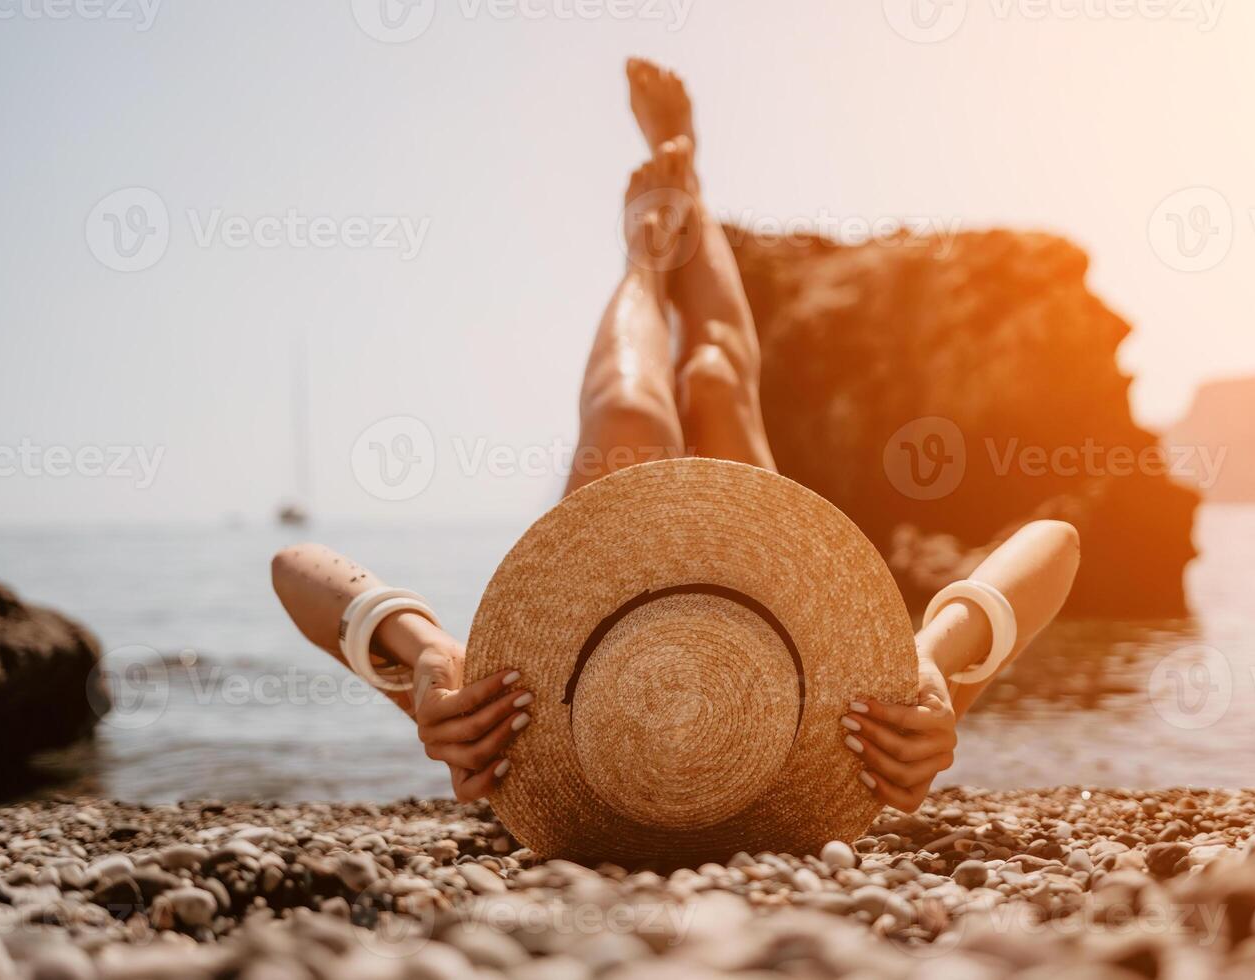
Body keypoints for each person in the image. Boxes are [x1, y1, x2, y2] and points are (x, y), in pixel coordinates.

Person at [271, 59, 1080, 814]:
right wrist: (937, 661)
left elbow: (294, 569)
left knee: (628, 407)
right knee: (718, 380)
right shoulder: (858, 747)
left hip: (626, 617)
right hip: (765, 595)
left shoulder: (509, 741)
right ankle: (680, 190)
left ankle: (645, 262)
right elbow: (1057, 544)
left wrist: (421, 660)